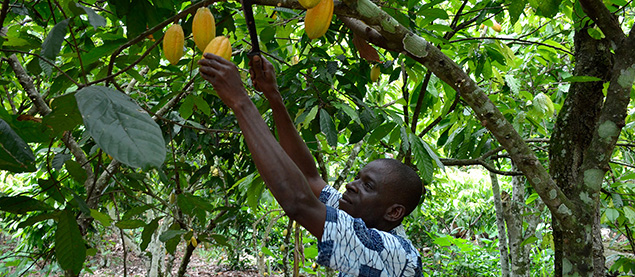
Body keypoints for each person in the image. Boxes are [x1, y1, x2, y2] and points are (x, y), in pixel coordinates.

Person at [198, 53, 424, 276]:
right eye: (357, 178)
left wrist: (240, 102)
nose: (350, 186)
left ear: (394, 212)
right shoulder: (358, 213)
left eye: (368, 186)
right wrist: (273, 95)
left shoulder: (398, 253)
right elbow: (309, 178)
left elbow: (298, 202)